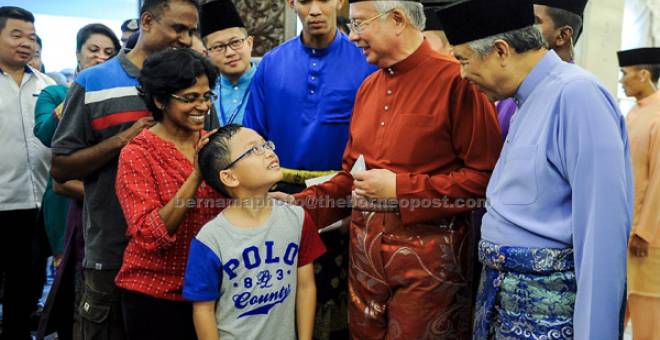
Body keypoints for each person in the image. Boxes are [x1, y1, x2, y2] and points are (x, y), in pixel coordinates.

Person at [275, 0, 501, 338]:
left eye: (359, 24)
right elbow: (353, 178)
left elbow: (485, 179)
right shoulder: (368, 87)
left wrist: (401, 189)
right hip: (364, 268)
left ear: (397, 19)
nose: (352, 37)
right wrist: (300, 207)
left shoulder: (457, 80)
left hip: (430, 272)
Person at [438, 0, 632, 338]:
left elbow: (603, 235)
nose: (462, 75)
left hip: (547, 309)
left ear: (500, 50)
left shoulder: (576, 95)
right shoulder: (525, 99)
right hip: (503, 300)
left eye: (464, 61)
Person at [50, 1, 199, 338]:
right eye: (178, 28)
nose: (187, 39)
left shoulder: (192, 81)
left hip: (179, 255)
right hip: (111, 251)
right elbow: (60, 167)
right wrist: (121, 142)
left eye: (192, 31)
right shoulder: (94, 82)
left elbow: (208, 155)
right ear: (147, 21)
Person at [243, 0, 377, 337]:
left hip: (342, 196)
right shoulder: (272, 63)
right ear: (291, 4)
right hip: (279, 195)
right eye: (304, 1)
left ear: (339, 2)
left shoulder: (366, 60)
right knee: (277, 296)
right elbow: (252, 136)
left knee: (336, 303)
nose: (315, 9)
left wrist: (356, 207)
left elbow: (378, 142)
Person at [114, 48, 222, 340]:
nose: (202, 106)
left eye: (206, 96)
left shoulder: (215, 143)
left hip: (209, 291)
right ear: (160, 100)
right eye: (190, 98)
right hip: (155, 295)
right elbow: (150, 234)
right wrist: (197, 174)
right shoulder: (137, 154)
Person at [184, 125, 326, 340]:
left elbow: (306, 287)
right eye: (253, 150)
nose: (269, 152)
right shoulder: (210, 239)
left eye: (266, 144)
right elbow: (203, 309)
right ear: (230, 177)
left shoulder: (297, 218)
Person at [34, 22, 120, 340]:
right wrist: (77, 93)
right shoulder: (56, 91)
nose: (100, 57)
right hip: (67, 200)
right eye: (93, 50)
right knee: (70, 280)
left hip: (107, 209)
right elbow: (46, 136)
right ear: (78, 54)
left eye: (109, 53)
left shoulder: (119, 96)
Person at [0, 6, 55, 340]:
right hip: (1, 204)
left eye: (31, 37)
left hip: (39, 208)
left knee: (27, 289)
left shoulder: (48, 86)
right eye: (16, 34)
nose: (26, 43)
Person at [496, 0, 588, 139]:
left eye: (533, 21)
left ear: (563, 35)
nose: (521, 28)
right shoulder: (512, 92)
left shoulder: (578, 94)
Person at [618, 47, 660, 340]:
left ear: (644, 75)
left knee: (648, 318)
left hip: (648, 240)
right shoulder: (635, 113)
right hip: (627, 232)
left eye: (625, 73)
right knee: (622, 308)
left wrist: (644, 232)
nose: (622, 80)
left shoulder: (658, 117)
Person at [200, 0, 256, 127]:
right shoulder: (204, 91)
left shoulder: (269, 84)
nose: (229, 52)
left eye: (235, 42)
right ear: (206, 54)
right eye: (219, 47)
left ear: (249, 43)